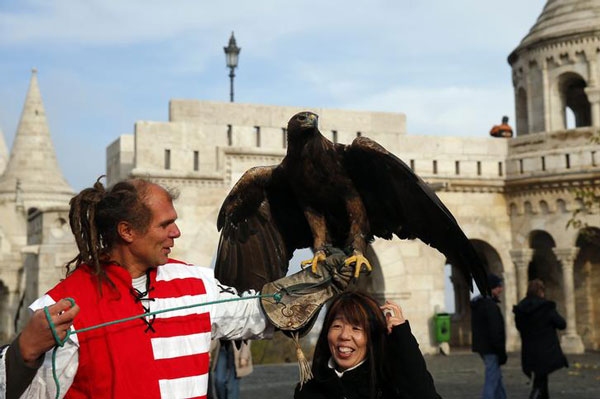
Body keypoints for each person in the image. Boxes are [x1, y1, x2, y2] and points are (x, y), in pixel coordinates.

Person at [0, 177, 350, 399]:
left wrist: (315, 285)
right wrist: (23, 353)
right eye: (166, 224)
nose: (176, 233)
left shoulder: (194, 282)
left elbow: (256, 313)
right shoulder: (64, 307)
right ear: (127, 231)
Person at [294, 290, 441, 399]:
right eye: (337, 326)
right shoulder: (308, 390)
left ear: (372, 336)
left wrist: (402, 339)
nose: (344, 335)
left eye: (356, 328)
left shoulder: (389, 386)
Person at [513, 279, 568, 399]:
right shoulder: (546, 307)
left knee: (541, 377)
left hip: (529, 349)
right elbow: (561, 324)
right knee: (540, 380)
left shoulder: (521, 308)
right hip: (545, 349)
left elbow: (519, 326)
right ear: (541, 291)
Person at [471, 273, 507, 399]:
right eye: (498, 286)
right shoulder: (490, 306)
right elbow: (495, 330)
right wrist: (500, 350)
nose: (501, 289)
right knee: (492, 378)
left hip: (484, 346)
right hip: (491, 347)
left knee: (497, 377)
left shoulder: (480, 304)